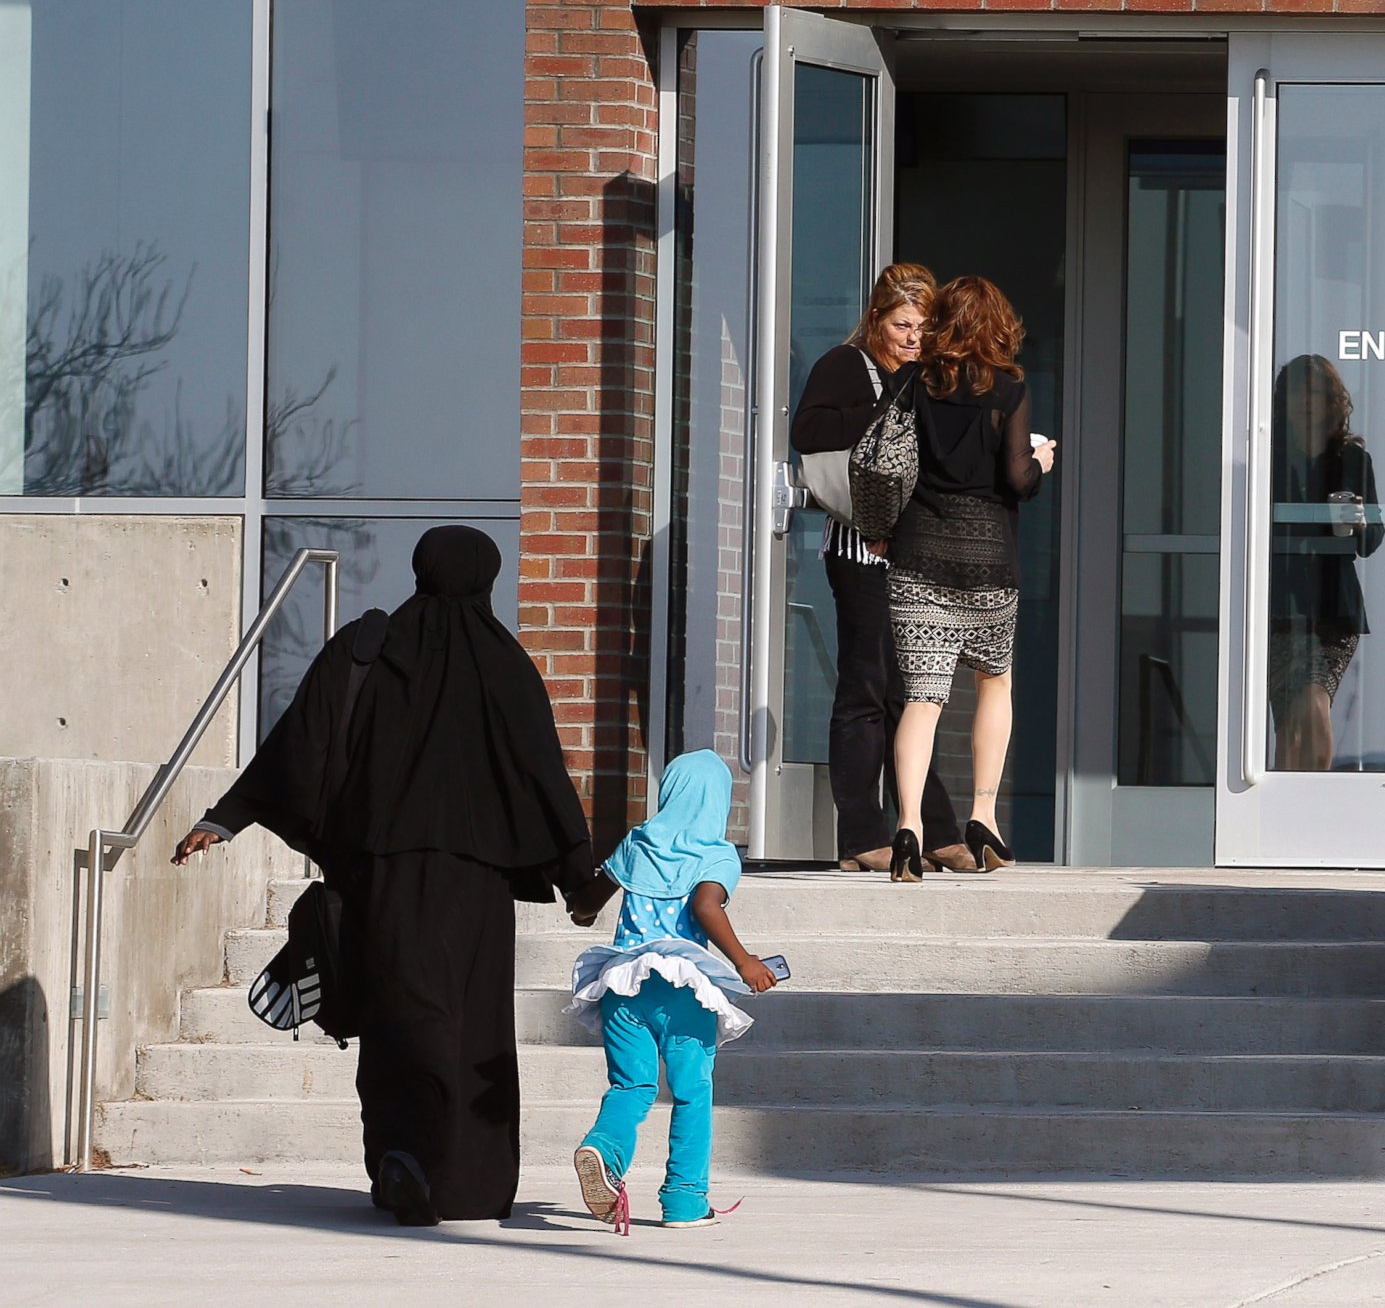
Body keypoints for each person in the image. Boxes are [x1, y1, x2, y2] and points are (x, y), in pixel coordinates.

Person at [173, 526, 607, 1225]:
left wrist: (229, 815)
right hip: (477, 885)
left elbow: (304, 736)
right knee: (472, 1023)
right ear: (487, 578)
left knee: (402, 1012)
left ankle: (406, 1154)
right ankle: (468, 1181)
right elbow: (540, 773)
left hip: (383, 875)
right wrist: (576, 875)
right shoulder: (505, 664)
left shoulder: (371, 647)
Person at [789, 262, 974, 874]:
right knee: (866, 690)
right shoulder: (847, 365)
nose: (914, 338)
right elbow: (807, 429)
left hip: (915, 555)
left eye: (924, 327)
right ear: (876, 320)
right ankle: (862, 836)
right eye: (902, 326)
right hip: (861, 553)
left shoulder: (930, 375)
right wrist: (887, 406)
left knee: (912, 692)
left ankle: (928, 828)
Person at [884, 275, 1055, 881]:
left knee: (922, 699)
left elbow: (887, 462)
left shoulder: (912, 382)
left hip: (919, 557)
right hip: (988, 562)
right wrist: (1040, 461)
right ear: (998, 325)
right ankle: (983, 816)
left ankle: (909, 826)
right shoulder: (1009, 388)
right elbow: (1016, 480)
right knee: (994, 683)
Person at [568, 749, 777, 1233]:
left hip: (623, 982)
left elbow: (588, 903)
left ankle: (602, 1149)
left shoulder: (637, 842)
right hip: (683, 989)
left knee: (631, 1086)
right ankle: (684, 1200)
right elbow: (706, 906)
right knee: (691, 1091)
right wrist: (744, 961)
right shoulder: (717, 853)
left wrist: (580, 909)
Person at [1266, 355, 1384, 771]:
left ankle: (1309, 791)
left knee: (1312, 702)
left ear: (1331, 400)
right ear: (1283, 401)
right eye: (1298, 392)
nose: (1306, 401)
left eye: (1315, 392)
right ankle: (1292, 796)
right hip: (1279, 605)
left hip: (1334, 607)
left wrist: (1357, 522)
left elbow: (1372, 541)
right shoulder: (1266, 456)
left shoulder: (1352, 459)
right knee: (1291, 719)